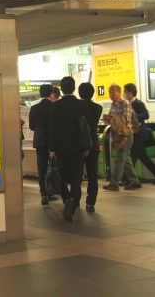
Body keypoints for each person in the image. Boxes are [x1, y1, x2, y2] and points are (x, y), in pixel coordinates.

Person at [48, 77, 90, 221]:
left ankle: (67, 200)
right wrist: (86, 146)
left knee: (63, 175)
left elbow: (53, 129)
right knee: (76, 175)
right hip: (77, 147)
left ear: (62, 88)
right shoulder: (81, 105)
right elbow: (85, 127)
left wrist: (52, 148)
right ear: (74, 88)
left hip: (61, 147)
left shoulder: (56, 106)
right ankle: (74, 199)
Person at [124, 83, 155, 184]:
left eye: (125, 91)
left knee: (132, 157)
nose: (124, 94)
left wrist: (134, 117)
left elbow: (146, 114)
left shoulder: (138, 103)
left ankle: (127, 179)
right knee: (143, 158)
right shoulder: (128, 104)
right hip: (134, 134)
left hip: (139, 135)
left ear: (130, 92)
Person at [103, 84, 141, 192]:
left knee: (120, 159)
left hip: (125, 135)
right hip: (116, 134)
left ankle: (114, 183)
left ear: (119, 93)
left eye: (113, 91)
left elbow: (126, 120)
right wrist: (108, 119)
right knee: (126, 159)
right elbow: (113, 120)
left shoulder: (125, 103)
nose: (111, 94)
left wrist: (114, 119)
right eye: (110, 92)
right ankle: (135, 181)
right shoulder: (113, 105)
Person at [29, 84, 56, 205]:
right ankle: (53, 190)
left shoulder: (34, 108)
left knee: (42, 169)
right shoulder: (55, 107)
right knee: (55, 167)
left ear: (40, 94)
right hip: (53, 142)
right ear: (51, 93)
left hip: (40, 142)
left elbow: (32, 126)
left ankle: (44, 194)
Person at [78, 83, 103, 213]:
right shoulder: (98, 108)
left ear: (80, 93)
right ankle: (90, 203)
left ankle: (76, 200)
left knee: (77, 173)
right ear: (93, 93)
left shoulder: (77, 107)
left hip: (79, 145)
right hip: (93, 143)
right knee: (92, 175)